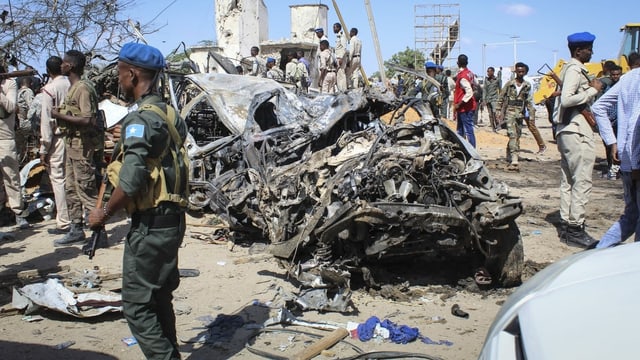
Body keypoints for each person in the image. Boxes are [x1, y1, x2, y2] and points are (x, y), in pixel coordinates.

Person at [88, 42, 188, 360]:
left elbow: (130, 183)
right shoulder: (170, 114)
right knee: (159, 298)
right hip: (172, 221)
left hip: (150, 226)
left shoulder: (140, 121)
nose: (118, 79)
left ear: (132, 74)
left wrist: (103, 213)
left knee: (136, 305)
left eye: (119, 71)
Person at [553, 32, 603, 248]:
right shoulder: (575, 69)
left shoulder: (569, 69)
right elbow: (566, 99)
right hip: (576, 131)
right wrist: (592, 90)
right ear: (578, 51)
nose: (591, 52)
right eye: (589, 49)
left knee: (569, 181)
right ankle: (575, 228)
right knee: (581, 180)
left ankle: (566, 224)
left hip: (567, 130)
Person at [51, 50, 100, 246]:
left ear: (70, 66)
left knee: (86, 189)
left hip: (82, 146)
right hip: (71, 144)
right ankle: (76, 229)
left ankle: (98, 233)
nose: (61, 66)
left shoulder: (82, 89)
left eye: (63, 63)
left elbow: (88, 119)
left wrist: (59, 116)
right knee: (71, 188)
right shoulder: (73, 88)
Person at [592, 67, 640, 249]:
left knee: (631, 216)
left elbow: (598, 107)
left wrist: (613, 142)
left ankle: (598, 254)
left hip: (628, 160)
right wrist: (636, 164)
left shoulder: (628, 78)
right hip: (635, 163)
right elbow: (637, 121)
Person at [40, 56, 71, 234]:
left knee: (58, 179)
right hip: (74, 138)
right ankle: (77, 217)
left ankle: (64, 221)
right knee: (73, 178)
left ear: (49, 71)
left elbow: (47, 122)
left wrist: (44, 148)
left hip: (58, 138)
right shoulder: (72, 84)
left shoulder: (49, 89)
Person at [0, 63, 30, 229]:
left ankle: (18, 212)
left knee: (11, 177)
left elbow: (11, 107)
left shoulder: (9, 84)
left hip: (4, 138)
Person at [497, 62, 534, 171]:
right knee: (512, 134)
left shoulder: (527, 85)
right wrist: (498, 110)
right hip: (510, 112)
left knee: (517, 135)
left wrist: (531, 115)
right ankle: (514, 158)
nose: (520, 73)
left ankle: (509, 153)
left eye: (522, 71)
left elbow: (529, 101)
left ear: (525, 72)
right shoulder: (509, 84)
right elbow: (501, 97)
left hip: (520, 114)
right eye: (519, 71)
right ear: (516, 72)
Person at [598, 64, 622, 180]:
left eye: (617, 74)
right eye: (613, 75)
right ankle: (610, 168)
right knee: (608, 146)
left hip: (619, 123)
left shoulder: (622, 87)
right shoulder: (608, 87)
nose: (615, 77)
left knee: (618, 147)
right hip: (608, 122)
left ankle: (617, 170)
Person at [452, 54, 477, 147]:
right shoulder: (470, 73)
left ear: (458, 63)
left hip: (465, 107)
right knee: (461, 129)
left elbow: (469, 92)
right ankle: (462, 148)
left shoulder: (462, 76)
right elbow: (476, 84)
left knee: (467, 130)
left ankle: (471, 150)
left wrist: (460, 103)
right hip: (469, 106)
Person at [483, 66, 502, 131]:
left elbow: (500, 89)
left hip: (495, 99)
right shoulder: (486, 80)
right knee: (490, 114)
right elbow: (484, 90)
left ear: (493, 72)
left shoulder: (497, 80)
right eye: (487, 71)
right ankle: (493, 127)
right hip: (488, 99)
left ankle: (497, 125)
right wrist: (483, 99)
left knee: (495, 112)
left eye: (489, 71)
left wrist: (500, 99)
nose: (488, 73)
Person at [333, 23, 348, 91]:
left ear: (338, 28)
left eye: (334, 27)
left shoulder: (342, 36)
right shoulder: (338, 36)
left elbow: (344, 48)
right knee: (339, 75)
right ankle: (340, 90)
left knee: (341, 74)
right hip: (338, 57)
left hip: (341, 58)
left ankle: (343, 90)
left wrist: (341, 58)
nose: (333, 29)